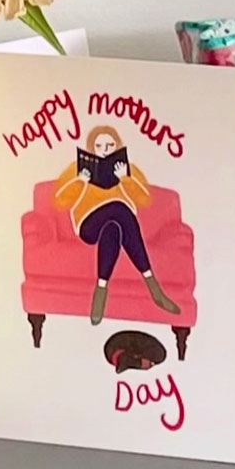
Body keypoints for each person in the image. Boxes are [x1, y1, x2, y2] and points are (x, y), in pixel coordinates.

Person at [50, 124, 180, 322]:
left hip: (118, 224)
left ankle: (101, 291)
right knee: (119, 208)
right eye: (99, 146)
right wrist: (80, 181)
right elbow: (59, 201)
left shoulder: (127, 169)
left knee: (113, 227)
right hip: (88, 225)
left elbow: (145, 200)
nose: (105, 150)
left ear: (117, 146)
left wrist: (125, 179)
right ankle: (153, 285)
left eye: (110, 145)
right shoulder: (78, 168)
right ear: (92, 148)